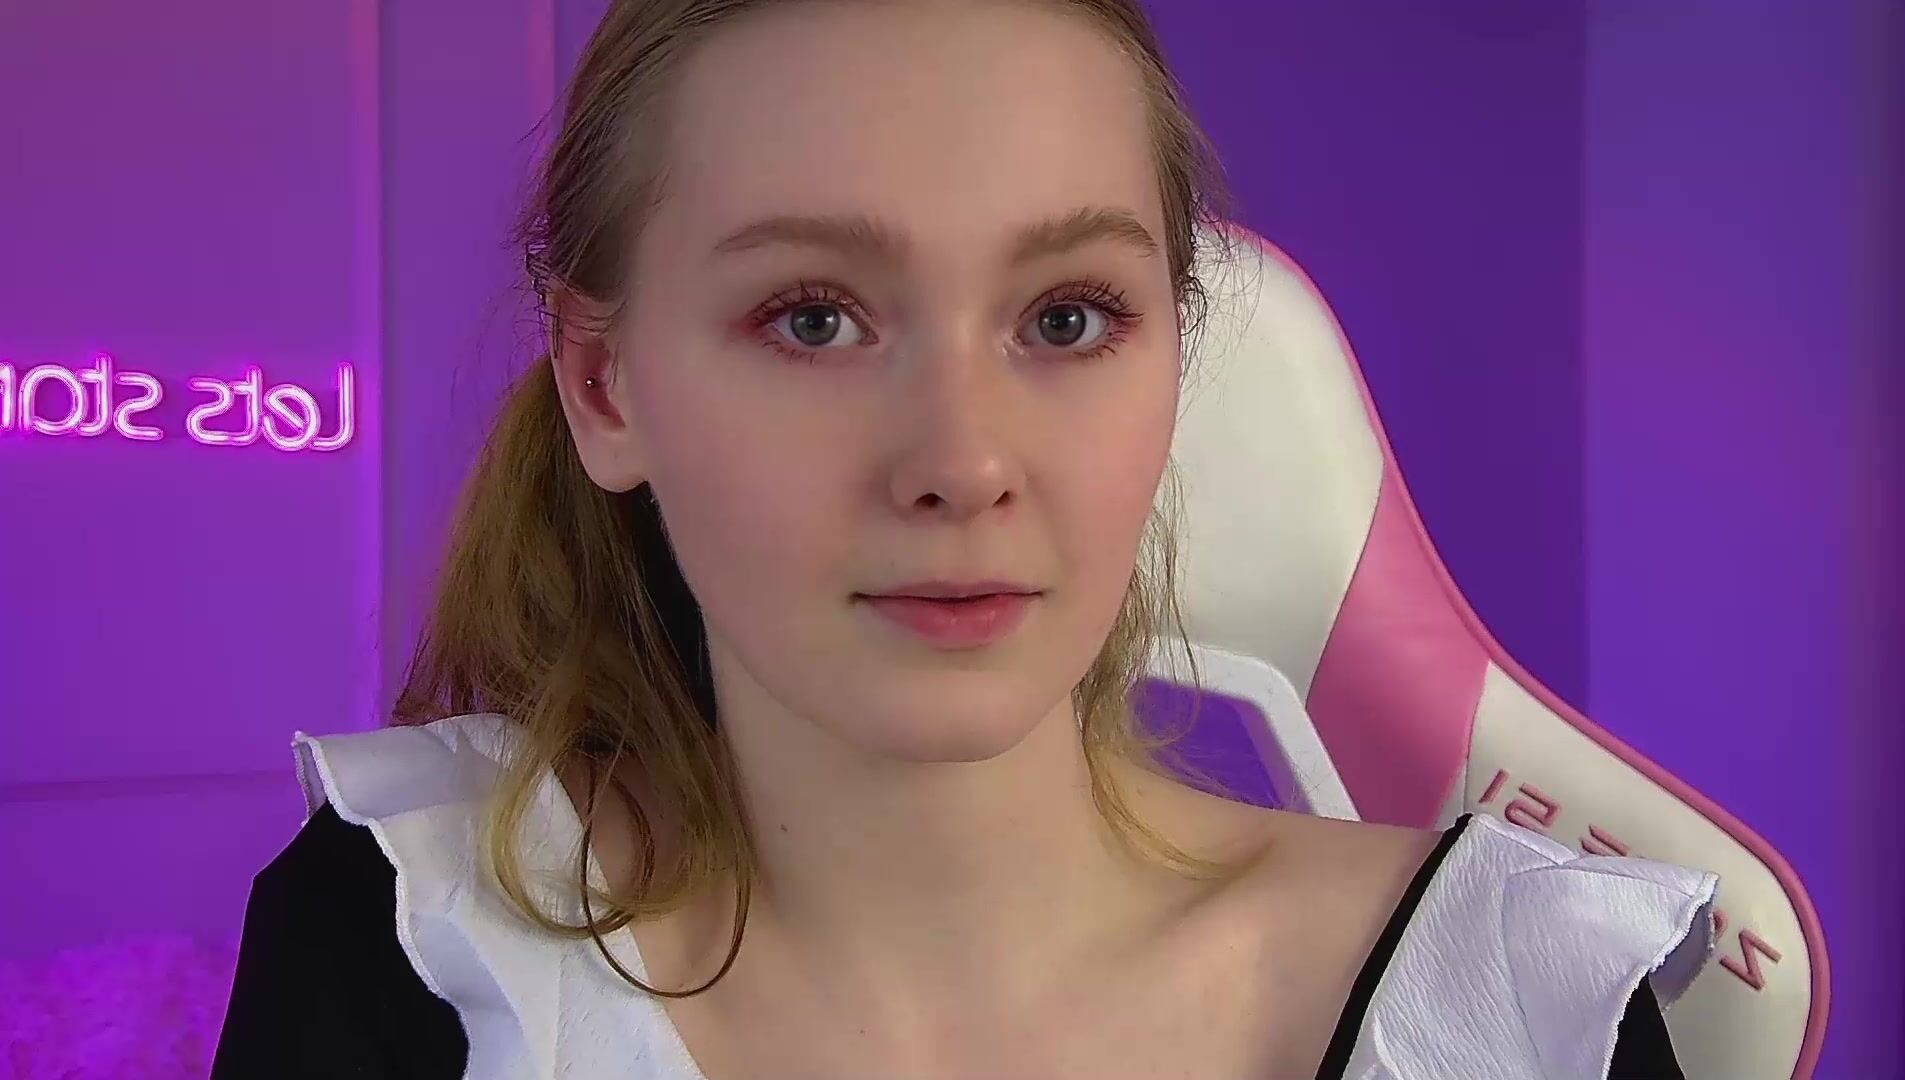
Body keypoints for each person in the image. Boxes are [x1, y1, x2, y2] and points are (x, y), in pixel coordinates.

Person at [211, 1, 1715, 1077]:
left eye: (1066, 319)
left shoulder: (1524, 1011)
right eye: (813, 319)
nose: (963, 465)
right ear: (606, 387)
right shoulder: (406, 939)